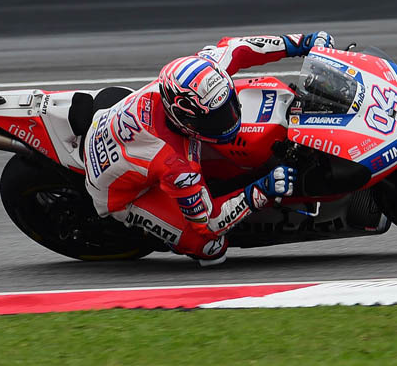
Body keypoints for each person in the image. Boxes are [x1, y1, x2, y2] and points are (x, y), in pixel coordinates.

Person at [83, 31, 335, 266]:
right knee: (211, 247)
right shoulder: (174, 164)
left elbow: (242, 48)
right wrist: (260, 191)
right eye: (215, 118)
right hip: (120, 193)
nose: (230, 119)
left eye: (227, 107)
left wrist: (302, 43)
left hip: (121, 126)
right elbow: (210, 223)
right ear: (184, 117)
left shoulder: (202, 70)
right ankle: (169, 236)